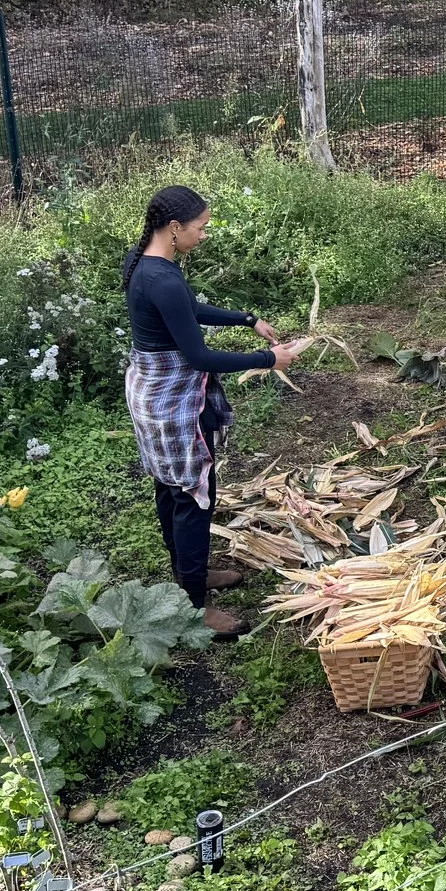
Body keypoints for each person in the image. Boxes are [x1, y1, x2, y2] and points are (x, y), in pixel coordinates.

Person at [122, 185, 298, 636]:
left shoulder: (147, 262)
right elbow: (199, 357)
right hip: (175, 403)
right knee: (193, 498)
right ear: (175, 227)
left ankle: (188, 577)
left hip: (152, 394)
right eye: (200, 228)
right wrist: (268, 360)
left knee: (171, 487)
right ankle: (196, 606)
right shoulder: (160, 277)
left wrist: (246, 318)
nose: (204, 234)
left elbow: (187, 310)